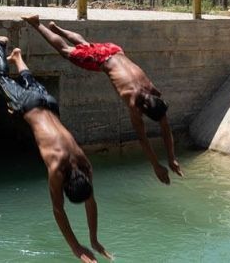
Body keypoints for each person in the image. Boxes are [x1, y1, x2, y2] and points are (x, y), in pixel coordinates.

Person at [0, 35, 112, 263]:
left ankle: (17, 57)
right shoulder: (57, 169)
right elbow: (58, 210)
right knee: (2, 78)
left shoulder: (84, 165)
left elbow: (90, 200)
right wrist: (76, 248)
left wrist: (93, 239)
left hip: (49, 103)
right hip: (29, 106)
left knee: (29, 81)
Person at [22, 14, 183, 185]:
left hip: (114, 50)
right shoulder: (133, 103)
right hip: (102, 60)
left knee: (85, 45)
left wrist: (172, 158)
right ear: (144, 110)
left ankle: (57, 29)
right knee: (66, 51)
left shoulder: (152, 92)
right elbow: (143, 139)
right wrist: (156, 165)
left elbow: (165, 126)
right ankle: (37, 23)